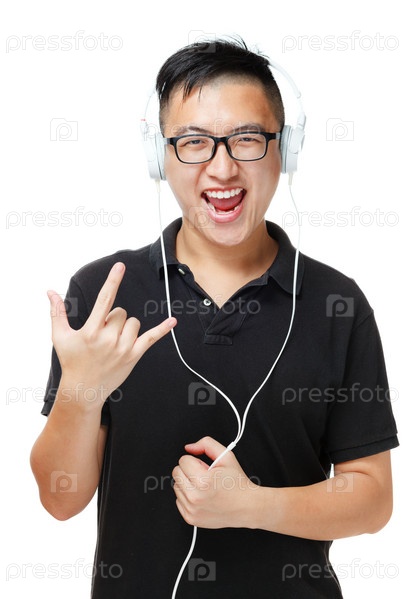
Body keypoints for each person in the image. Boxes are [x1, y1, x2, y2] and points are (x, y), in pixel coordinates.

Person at [30, 37, 399, 598]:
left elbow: (372, 499)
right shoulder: (105, 294)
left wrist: (250, 505)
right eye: (194, 143)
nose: (222, 168)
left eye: (247, 139)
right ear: (159, 157)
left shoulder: (336, 304)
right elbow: (60, 501)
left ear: (285, 149)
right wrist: (79, 391)